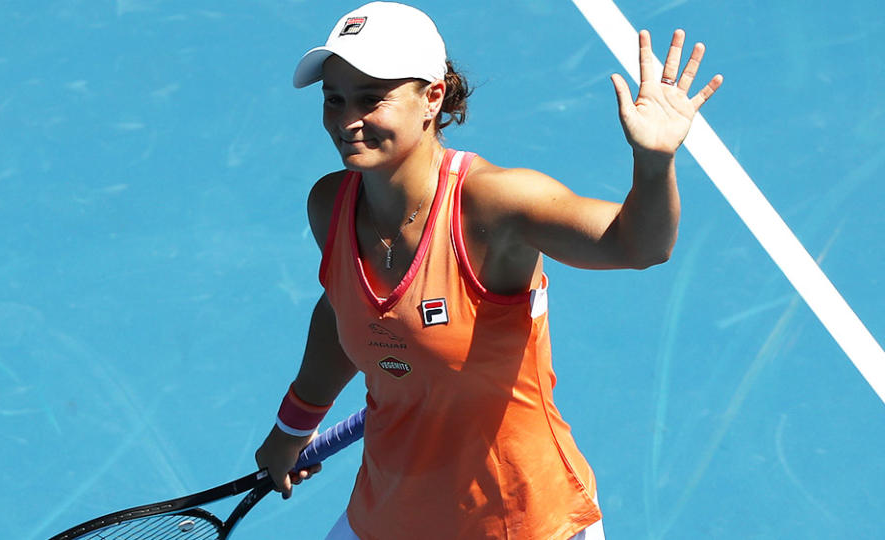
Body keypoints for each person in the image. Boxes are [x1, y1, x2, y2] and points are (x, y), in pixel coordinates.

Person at [255, 2, 722, 539]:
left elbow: (638, 246)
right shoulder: (330, 204)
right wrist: (293, 425)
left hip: (520, 521)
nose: (346, 121)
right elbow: (343, 311)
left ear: (432, 98)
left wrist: (655, 160)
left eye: (370, 99)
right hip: (389, 514)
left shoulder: (493, 206)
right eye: (333, 100)